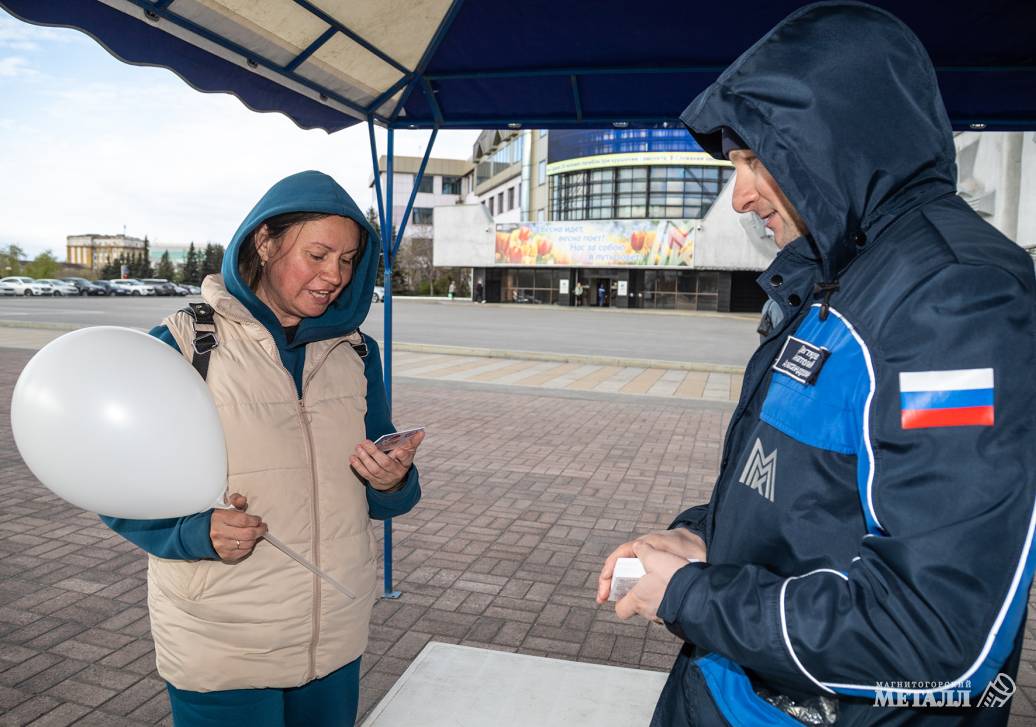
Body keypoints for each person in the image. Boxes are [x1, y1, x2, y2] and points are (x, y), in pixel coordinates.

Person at [597, 4, 1036, 725]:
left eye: (754, 160)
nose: (739, 195)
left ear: (833, 137)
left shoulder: (953, 300)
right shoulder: (837, 274)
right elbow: (809, 501)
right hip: (727, 692)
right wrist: (703, 536)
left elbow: (935, 632)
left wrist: (691, 594)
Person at [101, 171, 424, 727]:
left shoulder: (357, 353)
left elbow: (381, 492)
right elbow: (114, 480)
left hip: (332, 638)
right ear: (265, 242)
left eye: (348, 260)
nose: (335, 276)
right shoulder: (183, 345)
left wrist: (391, 479)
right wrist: (193, 532)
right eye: (318, 255)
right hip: (223, 643)